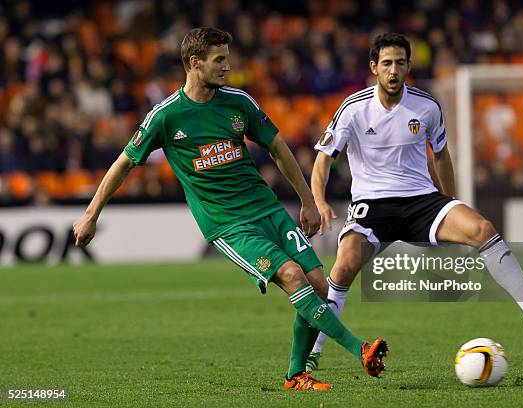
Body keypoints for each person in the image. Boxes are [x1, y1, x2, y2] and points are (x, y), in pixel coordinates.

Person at [72, 27, 388, 391]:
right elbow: (124, 163)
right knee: (291, 275)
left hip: (267, 209)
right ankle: (359, 348)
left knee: (319, 285)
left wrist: (307, 201)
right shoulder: (166, 116)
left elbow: (278, 149)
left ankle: (296, 375)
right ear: (195, 63)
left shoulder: (239, 102)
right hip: (229, 225)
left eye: (227, 58)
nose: (227, 66)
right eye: (219, 59)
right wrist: (91, 214)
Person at [306, 33, 523, 372]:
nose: (393, 70)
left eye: (400, 63)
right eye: (386, 63)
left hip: (421, 200)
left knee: (482, 228)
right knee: (343, 267)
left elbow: (442, 156)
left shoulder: (426, 106)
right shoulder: (353, 108)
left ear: (408, 66)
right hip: (372, 205)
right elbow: (323, 159)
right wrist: (318, 200)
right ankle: (313, 350)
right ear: (374, 67)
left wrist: (449, 202)